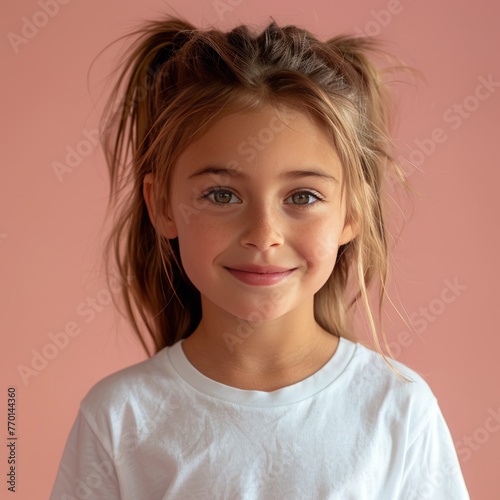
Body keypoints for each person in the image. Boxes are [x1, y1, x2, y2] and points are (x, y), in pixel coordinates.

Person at [50, 15, 469, 499]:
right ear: (163, 205)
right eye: (222, 195)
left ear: (353, 211)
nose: (263, 235)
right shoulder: (118, 417)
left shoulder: (398, 410)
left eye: (304, 197)